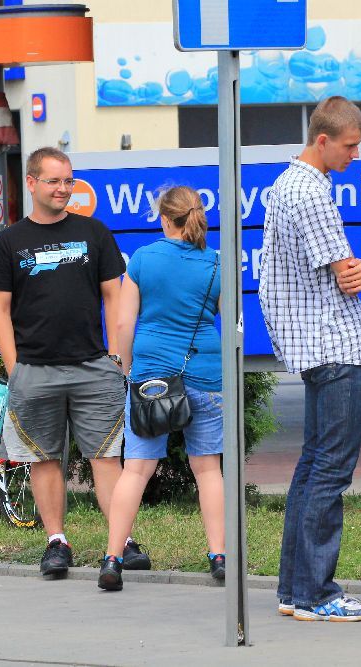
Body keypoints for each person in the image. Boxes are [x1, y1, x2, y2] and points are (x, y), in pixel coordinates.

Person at [0, 147, 150, 577]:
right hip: (33, 370)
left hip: (94, 366)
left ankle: (121, 541)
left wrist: (117, 358)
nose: (62, 189)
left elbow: (115, 295)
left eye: (68, 181)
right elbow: (0, 310)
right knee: (43, 458)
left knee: (106, 457)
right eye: (53, 181)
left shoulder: (93, 232)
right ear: (32, 182)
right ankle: (56, 542)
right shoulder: (9, 242)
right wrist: (14, 367)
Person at [257, 96, 361, 622]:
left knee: (312, 469)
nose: (356, 155)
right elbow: (347, 271)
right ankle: (318, 594)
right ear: (323, 140)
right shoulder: (309, 191)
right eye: (350, 146)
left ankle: (295, 590)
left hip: (314, 346)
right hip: (335, 344)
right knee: (330, 472)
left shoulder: (288, 185)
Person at [97, 186, 224, 591]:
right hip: (204, 372)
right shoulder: (216, 264)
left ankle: (113, 559)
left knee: (135, 470)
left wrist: (126, 368)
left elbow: (122, 324)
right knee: (208, 469)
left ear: (165, 218)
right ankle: (218, 556)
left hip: (151, 375)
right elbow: (223, 315)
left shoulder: (143, 260)